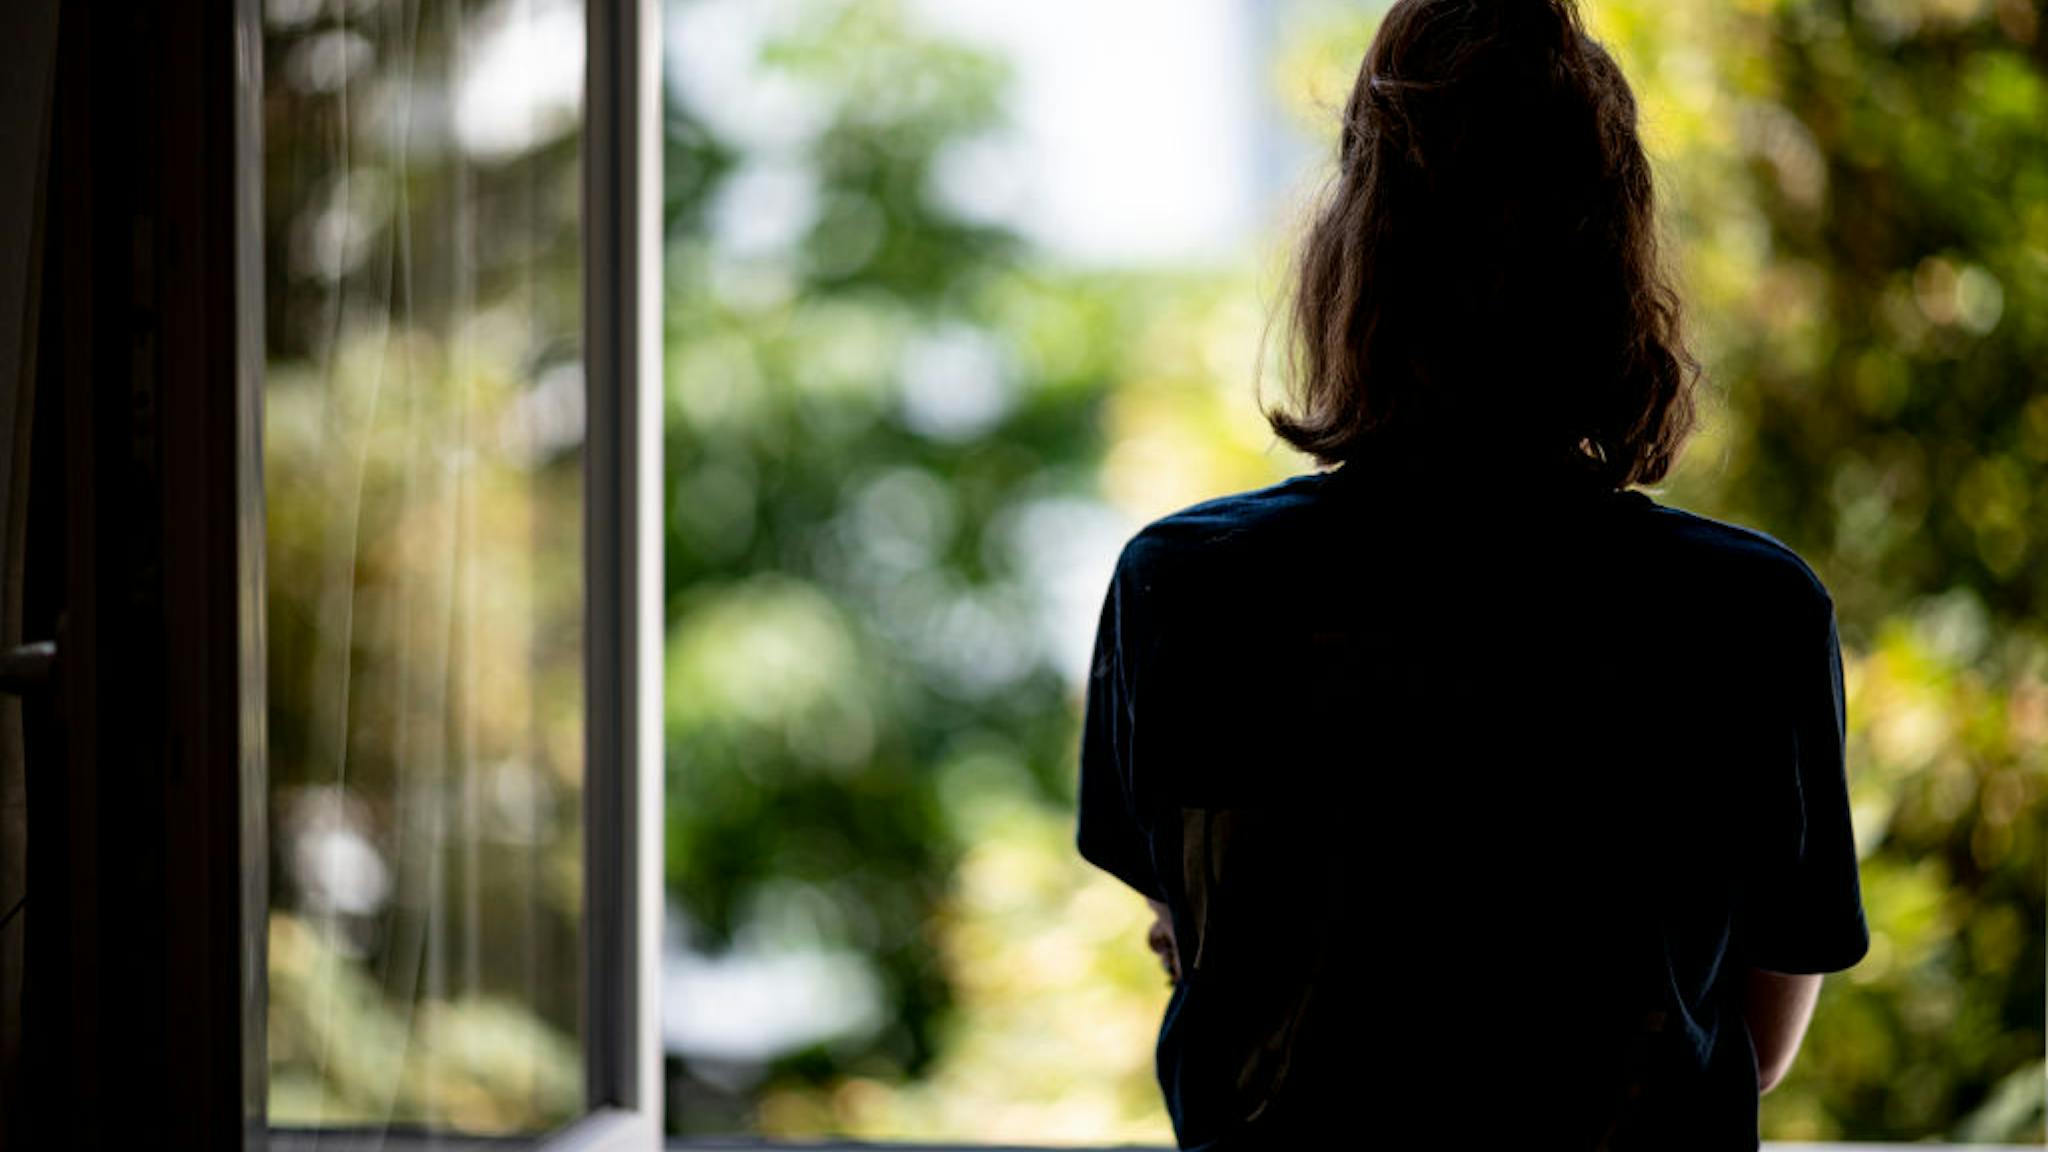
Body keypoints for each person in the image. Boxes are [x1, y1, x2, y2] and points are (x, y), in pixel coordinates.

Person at [1073, 2, 1870, 1148]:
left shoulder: (1185, 590)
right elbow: (1748, 1038)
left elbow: (1221, 971)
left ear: (1349, 261)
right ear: (1615, 260)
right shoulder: (1748, 613)